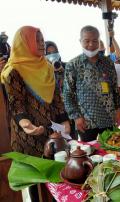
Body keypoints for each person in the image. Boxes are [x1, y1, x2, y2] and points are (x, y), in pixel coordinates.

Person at [1, 26, 70, 201]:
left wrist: (64, 121)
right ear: (25, 43)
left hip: (52, 134)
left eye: (42, 39)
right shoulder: (13, 71)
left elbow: (57, 98)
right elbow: (16, 103)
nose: (41, 44)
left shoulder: (47, 66)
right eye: (36, 40)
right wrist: (25, 124)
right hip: (28, 137)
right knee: (36, 185)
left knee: (57, 178)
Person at [63, 25, 120, 142]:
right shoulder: (73, 65)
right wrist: (76, 117)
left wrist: (118, 110)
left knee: (111, 150)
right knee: (89, 153)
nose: (91, 44)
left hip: (108, 117)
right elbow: (67, 94)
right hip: (85, 120)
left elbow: (115, 88)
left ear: (99, 41)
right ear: (80, 41)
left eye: (95, 41)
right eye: (86, 41)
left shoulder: (108, 62)